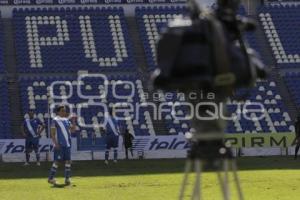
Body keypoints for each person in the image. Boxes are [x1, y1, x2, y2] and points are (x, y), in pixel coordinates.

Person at [48, 106, 76, 185]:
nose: (64, 112)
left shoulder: (67, 120)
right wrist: (55, 143)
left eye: (65, 111)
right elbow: (52, 134)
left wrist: (73, 120)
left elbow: (73, 130)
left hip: (67, 144)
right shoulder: (55, 121)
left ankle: (67, 179)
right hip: (59, 144)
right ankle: (50, 178)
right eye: (63, 111)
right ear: (58, 112)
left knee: (68, 161)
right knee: (57, 162)